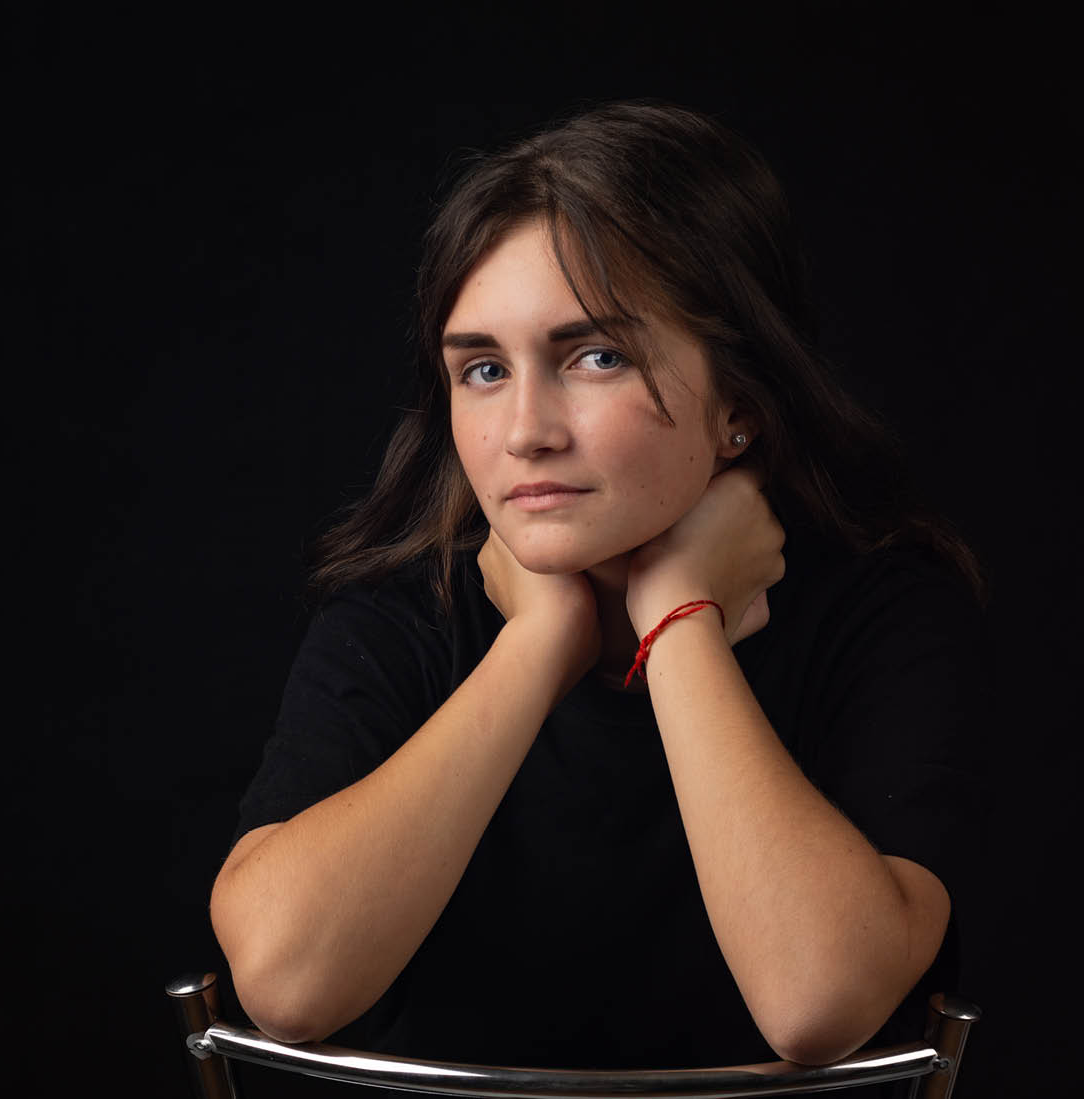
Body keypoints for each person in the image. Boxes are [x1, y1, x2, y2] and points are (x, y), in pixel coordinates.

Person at [209, 101, 990, 1081]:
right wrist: (542, 639)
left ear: (739, 405)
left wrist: (680, 620)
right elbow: (285, 978)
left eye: (595, 356)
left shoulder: (884, 615)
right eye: (483, 369)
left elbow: (816, 999)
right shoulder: (403, 614)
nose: (527, 428)